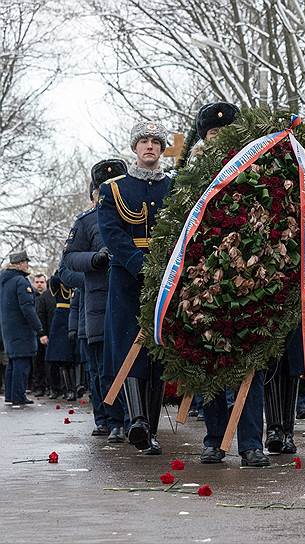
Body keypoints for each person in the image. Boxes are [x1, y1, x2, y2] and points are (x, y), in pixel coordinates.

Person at [189, 102, 269, 467]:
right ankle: (214, 439)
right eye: (212, 134)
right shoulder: (191, 177)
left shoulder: (256, 169)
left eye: (226, 133)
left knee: (248, 362)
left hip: (248, 280)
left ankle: (252, 442)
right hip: (203, 281)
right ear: (204, 137)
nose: (219, 139)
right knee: (209, 362)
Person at [98, 121, 172, 454]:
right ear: (134, 148)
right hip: (128, 279)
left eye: (156, 142)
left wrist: (165, 270)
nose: (150, 147)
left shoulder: (174, 188)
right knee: (129, 343)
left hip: (167, 278)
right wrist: (142, 267)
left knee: (157, 349)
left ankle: (150, 426)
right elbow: (112, 235)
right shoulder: (114, 189)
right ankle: (135, 419)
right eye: (144, 141)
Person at [61, 158, 126, 440]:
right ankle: (110, 420)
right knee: (102, 370)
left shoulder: (137, 214)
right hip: (96, 307)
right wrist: (94, 263)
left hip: (129, 301)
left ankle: (136, 418)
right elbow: (67, 265)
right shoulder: (86, 222)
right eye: (101, 190)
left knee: (134, 366)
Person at [1, 251, 46, 407]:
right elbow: (27, 308)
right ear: (19, 264)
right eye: (26, 262)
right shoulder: (20, 281)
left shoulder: (4, 281)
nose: (27, 265)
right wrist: (39, 329)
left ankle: (10, 396)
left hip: (7, 328)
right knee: (22, 362)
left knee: (12, 362)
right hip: (21, 328)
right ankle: (19, 397)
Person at [44, 273, 77, 401]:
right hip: (60, 319)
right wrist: (64, 269)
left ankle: (72, 389)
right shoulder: (58, 280)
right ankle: (61, 388)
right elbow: (54, 281)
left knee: (70, 359)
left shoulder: (73, 279)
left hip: (72, 315)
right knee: (59, 359)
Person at [29, 273, 49, 396]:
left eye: (41, 282)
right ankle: (38, 386)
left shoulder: (49, 297)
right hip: (35, 334)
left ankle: (47, 385)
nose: (39, 285)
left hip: (47, 332)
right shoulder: (31, 297)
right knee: (36, 362)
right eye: (37, 282)